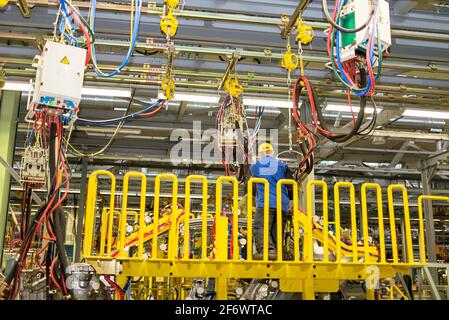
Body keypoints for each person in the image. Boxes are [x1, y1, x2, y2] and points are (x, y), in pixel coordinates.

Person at [250, 142, 294, 260]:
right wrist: (290, 202)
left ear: (260, 154)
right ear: (272, 153)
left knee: (261, 227)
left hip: (265, 203)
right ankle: (278, 253)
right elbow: (291, 186)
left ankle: (267, 250)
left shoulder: (255, 167)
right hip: (282, 204)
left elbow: (251, 188)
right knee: (277, 230)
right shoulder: (283, 166)